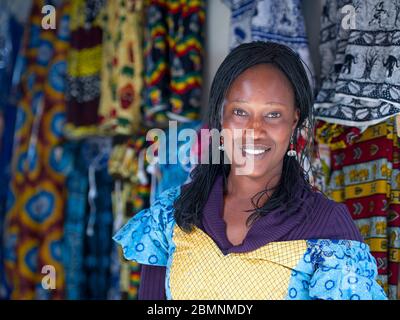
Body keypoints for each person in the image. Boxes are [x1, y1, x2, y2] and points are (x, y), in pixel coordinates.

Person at [113, 41, 388, 300]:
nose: (255, 131)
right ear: (221, 117)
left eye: (273, 115)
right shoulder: (171, 213)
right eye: (241, 112)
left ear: (295, 120)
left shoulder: (329, 227)